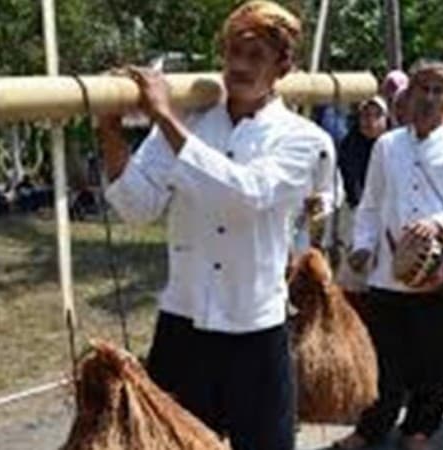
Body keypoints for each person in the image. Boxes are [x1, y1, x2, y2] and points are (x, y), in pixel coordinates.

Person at [97, 2, 337, 449]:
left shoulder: (303, 139)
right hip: (183, 323)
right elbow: (138, 206)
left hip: (255, 328)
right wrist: (110, 132)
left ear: (283, 66)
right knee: (171, 444)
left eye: (256, 57)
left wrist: (164, 116)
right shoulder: (188, 120)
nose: (239, 67)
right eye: (233, 54)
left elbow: (244, 196)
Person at [334, 59, 443, 450]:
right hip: (388, 271)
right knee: (383, 357)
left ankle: (419, 430)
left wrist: (439, 224)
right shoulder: (387, 145)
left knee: (433, 359)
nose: (431, 98)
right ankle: (371, 429)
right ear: (409, 95)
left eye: (440, 91)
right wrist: (364, 246)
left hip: (440, 273)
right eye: (424, 89)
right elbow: (370, 204)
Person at [337, 96, 388, 209]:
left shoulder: (393, 145)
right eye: (366, 115)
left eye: (377, 116)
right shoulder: (349, 145)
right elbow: (350, 180)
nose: (371, 121)